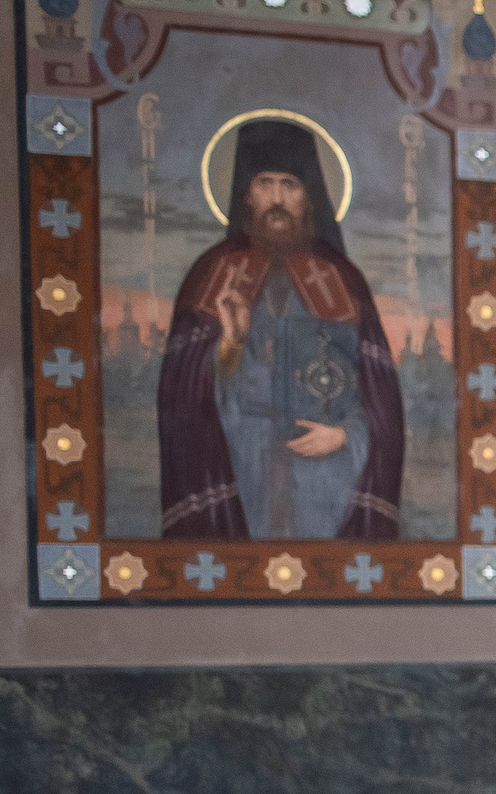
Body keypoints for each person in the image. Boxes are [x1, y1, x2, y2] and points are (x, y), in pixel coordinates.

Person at [157, 117, 404, 539]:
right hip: (242, 466)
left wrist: (345, 436)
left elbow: (378, 397)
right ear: (246, 196)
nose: (277, 198)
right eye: (265, 183)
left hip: (325, 480)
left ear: (310, 198)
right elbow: (183, 396)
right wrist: (231, 344)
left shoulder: (342, 279)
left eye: (290, 184)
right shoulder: (212, 274)